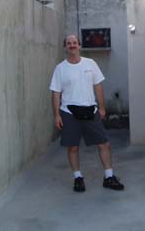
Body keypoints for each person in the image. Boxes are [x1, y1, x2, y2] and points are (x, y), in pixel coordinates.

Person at [49, 34, 124, 193]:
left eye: (74, 43)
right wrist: (56, 115)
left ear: (79, 45)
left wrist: (102, 107)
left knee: (104, 144)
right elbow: (56, 93)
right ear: (65, 47)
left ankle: (109, 177)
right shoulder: (60, 68)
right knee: (73, 148)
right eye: (69, 43)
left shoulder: (91, 64)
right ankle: (78, 178)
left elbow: (98, 86)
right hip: (69, 112)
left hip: (92, 110)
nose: (72, 45)